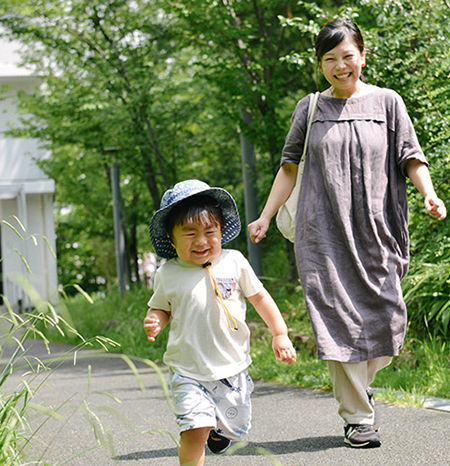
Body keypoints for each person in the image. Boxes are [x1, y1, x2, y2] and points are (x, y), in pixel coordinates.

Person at [248, 18, 446, 449]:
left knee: (389, 320)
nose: (340, 66)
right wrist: (265, 216)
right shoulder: (310, 108)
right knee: (335, 321)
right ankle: (358, 418)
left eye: (347, 56)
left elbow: (411, 156)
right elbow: (288, 168)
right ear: (320, 63)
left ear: (362, 55)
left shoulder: (388, 103)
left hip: (378, 231)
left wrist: (429, 194)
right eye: (330, 59)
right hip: (323, 234)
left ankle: (358, 384)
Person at [144, 179, 297, 465]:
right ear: (171, 237)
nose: (201, 241)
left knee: (233, 427)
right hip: (188, 370)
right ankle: (204, 431)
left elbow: (260, 298)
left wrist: (280, 333)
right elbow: (161, 308)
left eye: (209, 232)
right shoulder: (168, 274)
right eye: (190, 233)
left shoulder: (234, 261)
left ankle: (219, 431)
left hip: (232, 366)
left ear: (221, 231)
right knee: (193, 430)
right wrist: (155, 320)